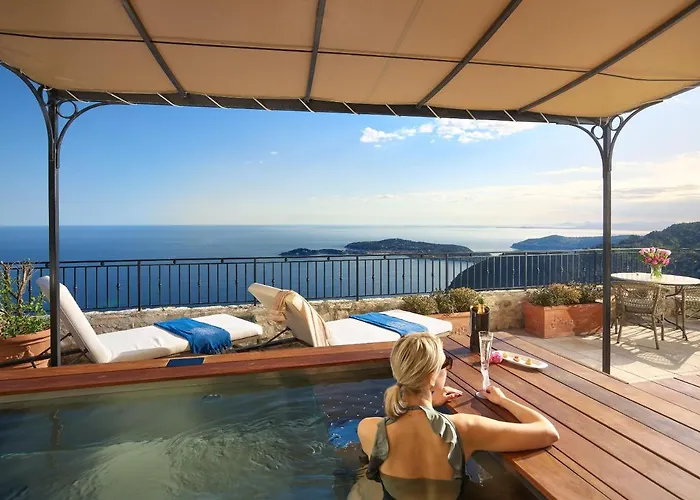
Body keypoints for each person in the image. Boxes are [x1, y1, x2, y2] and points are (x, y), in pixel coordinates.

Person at [357, 332, 559, 500]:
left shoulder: (369, 430)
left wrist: (429, 403)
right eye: (444, 364)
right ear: (432, 375)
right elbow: (547, 432)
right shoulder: (464, 428)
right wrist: (504, 401)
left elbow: (402, 424)